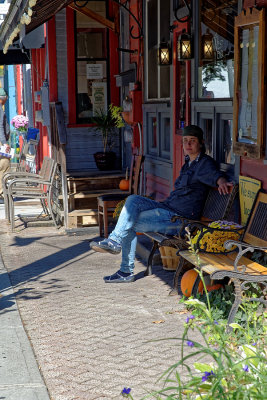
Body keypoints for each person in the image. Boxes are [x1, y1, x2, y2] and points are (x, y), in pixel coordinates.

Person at [90, 125, 233, 283]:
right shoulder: (188, 164)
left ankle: (125, 269)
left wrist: (221, 181)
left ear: (201, 143)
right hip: (168, 209)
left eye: (192, 141)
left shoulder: (204, 163)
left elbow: (215, 174)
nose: (188, 144)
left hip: (180, 219)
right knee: (133, 200)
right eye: (185, 141)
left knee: (127, 223)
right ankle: (115, 242)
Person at [0, 88, 10, 198]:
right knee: (4, 165)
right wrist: (4, 142)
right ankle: (2, 193)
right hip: (1, 143)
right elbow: (0, 127)